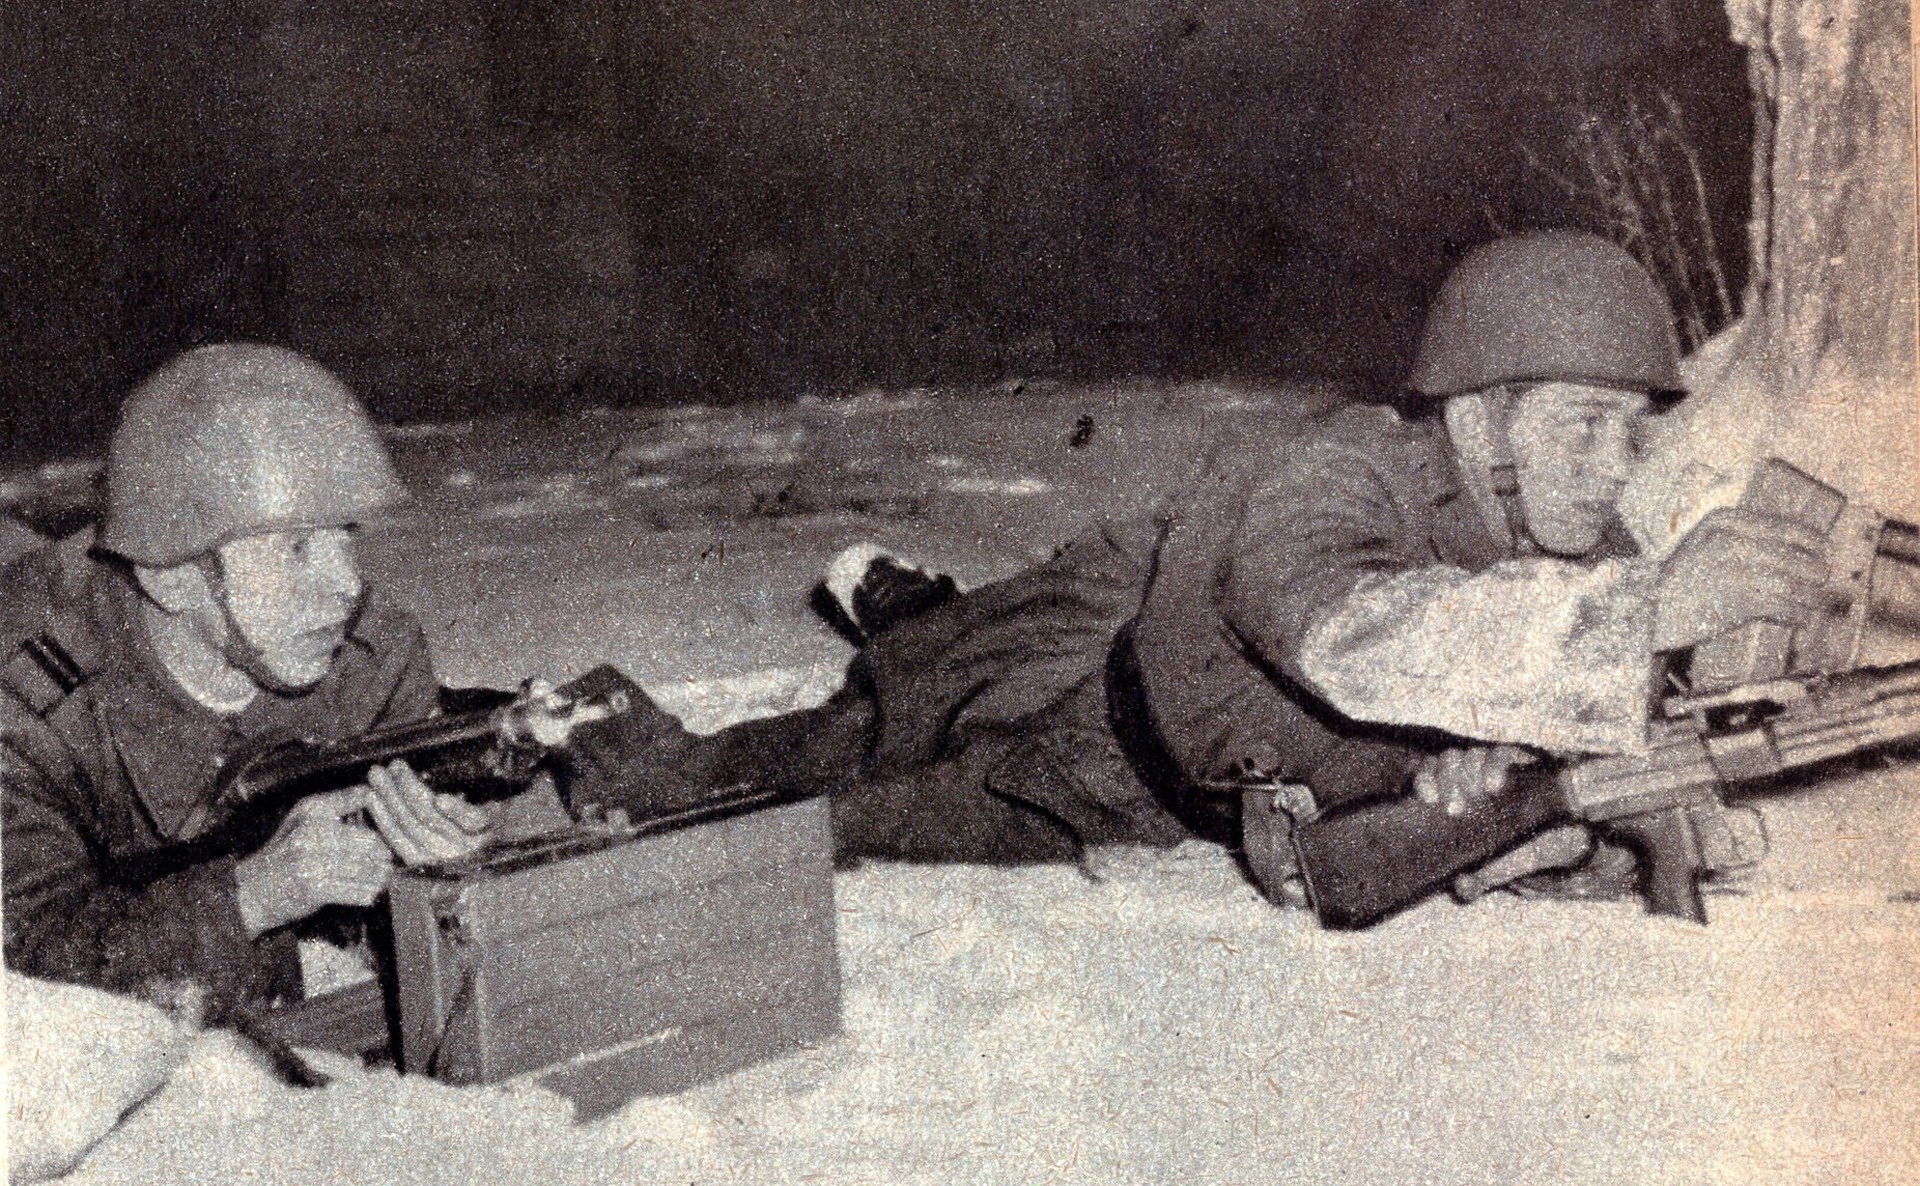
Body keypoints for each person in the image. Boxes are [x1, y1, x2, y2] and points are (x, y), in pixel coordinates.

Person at [565, 230, 1831, 915]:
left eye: (1633, 427)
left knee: (882, 737)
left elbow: (1608, 779)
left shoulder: (1573, 549)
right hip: (1084, 703)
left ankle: (908, 602)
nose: (1616, 468)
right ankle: (601, 717)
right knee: (785, 787)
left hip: (1175, 782)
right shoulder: (1332, 475)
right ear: (1482, 417)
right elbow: (1355, 631)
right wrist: (1647, 614)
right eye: (1580, 424)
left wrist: (1517, 805)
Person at [2, 344, 500, 1015]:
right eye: (295, 549)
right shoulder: (30, 704)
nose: (346, 585)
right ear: (172, 576)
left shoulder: (371, 656)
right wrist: (253, 897)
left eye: (343, 537)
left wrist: (450, 848)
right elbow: (27, 965)